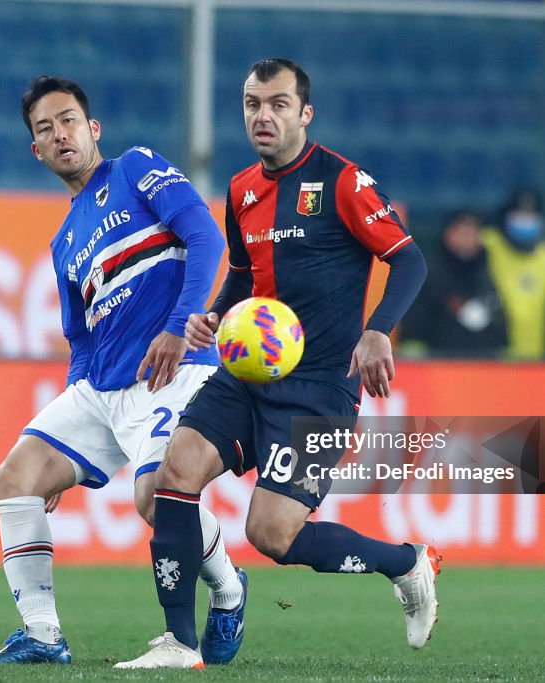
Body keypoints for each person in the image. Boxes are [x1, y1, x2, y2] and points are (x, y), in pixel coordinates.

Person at [116, 59, 437, 670]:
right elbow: (243, 274)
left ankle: (406, 563)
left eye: (278, 104)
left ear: (304, 113)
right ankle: (180, 643)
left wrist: (376, 332)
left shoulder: (342, 182)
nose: (263, 116)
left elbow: (411, 260)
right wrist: (213, 314)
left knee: (272, 535)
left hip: (320, 387)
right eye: (251, 103)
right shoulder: (241, 189)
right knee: (173, 475)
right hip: (249, 373)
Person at [0, 76, 246, 665]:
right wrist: (69, 448)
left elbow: (205, 236)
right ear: (36, 151)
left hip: (173, 371)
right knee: (16, 478)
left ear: (92, 129)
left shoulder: (135, 168)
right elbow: (81, 339)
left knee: (156, 499)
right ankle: (43, 635)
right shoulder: (63, 241)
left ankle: (227, 584)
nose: (59, 134)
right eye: (45, 129)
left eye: (67, 120)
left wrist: (178, 326)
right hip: (102, 387)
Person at [399, 209, 507, 357]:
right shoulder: (429, 272)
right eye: (462, 233)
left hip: (485, 361)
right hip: (439, 362)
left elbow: (501, 315)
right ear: (448, 234)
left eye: (472, 233)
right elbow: (416, 323)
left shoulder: (491, 267)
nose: (467, 238)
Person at [481, 188, 545, 359]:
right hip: (496, 354)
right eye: (520, 212)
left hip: (536, 356)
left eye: (531, 213)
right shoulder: (489, 244)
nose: (526, 219)